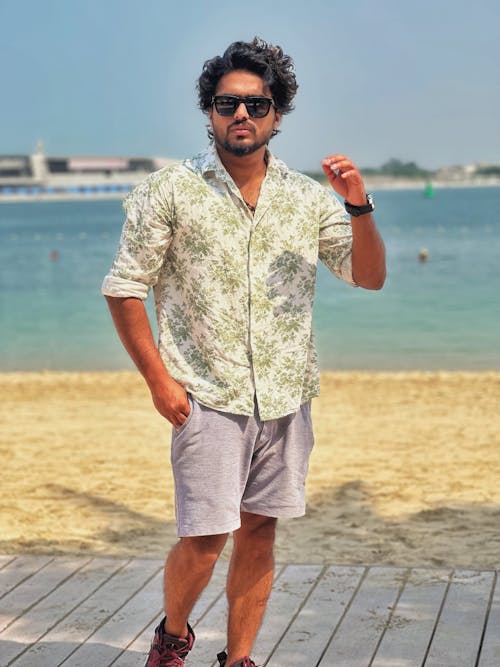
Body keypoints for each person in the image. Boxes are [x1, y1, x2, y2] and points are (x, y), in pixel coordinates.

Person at [102, 37, 385, 667]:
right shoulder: (169, 191)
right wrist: (159, 383)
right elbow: (124, 288)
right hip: (206, 396)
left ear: (277, 114)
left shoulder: (309, 199)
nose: (242, 116)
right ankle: (173, 637)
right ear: (209, 111)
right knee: (205, 539)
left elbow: (368, 276)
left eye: (257, 105)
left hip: (287, 397)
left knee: (260, 531)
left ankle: (241, 658)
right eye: (228, 104)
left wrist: (358, 204)